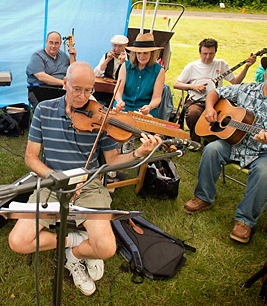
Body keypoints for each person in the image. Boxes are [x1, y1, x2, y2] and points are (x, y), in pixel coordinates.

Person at [9, 61, 160, 296]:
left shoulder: (103, 116)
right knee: (18, 242)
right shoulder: (44, 110)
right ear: (64, 83)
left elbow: (111, 161)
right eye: (77, 89)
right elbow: (30, 158)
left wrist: (138, 153)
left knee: (107, 247)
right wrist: (56, 177)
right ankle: (74, 240)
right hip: (52, 185)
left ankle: (75, 255)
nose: (83, 96)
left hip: (88, 187)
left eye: (89, 90)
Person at [183, 51, 267, 244]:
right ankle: (203, 197)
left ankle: (245, 220)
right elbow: (215, 92)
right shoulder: (248, 89)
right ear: (266, 70)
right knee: (211, 149)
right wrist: (210, 108)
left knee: (266, 170)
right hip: (237, 143)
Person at [173, 38, 256, 143]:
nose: (208, 57)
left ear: (215, 52)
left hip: (217, 101)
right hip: (198, 101)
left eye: (211, 53)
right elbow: (176, 84)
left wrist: (247, 67)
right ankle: (195, 141)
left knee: (228, 117)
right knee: (193, 113)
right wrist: (194, 87)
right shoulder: (192, 66)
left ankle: (213, 138)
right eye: (205, 53)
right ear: (199, 53)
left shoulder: (221, 64)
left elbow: (235, 82)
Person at [114, 33, 165, 118]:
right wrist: (119, 101)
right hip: (124, 108)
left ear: (151, 53)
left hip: (143, 111)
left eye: (145, 53)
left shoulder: (159, 70)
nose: (142, 56)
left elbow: (157, 98)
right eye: (139, 53)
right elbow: (118, 90)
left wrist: (149, 106)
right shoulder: (126, 66)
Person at [26, 31, 76, 108]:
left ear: (60, 44)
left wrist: (73, 56)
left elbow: (73, 72)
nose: (53, 46)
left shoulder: (63, 55)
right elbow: (41, 77)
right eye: (51, 42)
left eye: (56, 43)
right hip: (41, 90)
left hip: (61, 90)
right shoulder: (37, 56)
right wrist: (64, 83)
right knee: (48, 111)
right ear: (46, 42)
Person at [93, 35, 128, 106]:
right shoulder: (106, 56)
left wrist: (123, 63)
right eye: (115, 46)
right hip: (105, 90)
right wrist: (107, 60)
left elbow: (129, 78)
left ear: (125, 46)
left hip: (121, 92)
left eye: (120, 46)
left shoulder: (130, 59)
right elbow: (96, 74)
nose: (117, 49)